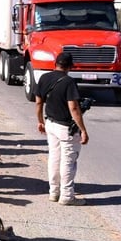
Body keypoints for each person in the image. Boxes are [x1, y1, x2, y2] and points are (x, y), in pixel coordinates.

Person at [35, 51, 90, 206]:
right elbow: (73, 108)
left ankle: (54, 192)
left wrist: (40, 121)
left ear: (55, 64)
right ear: (70, 66)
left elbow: (39, 102)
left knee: (54, 158)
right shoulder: (68, 82)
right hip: (65, 128)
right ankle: (67, 196)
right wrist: (83, 130)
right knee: (68, 162)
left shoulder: (44, 78)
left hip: (50, 124)